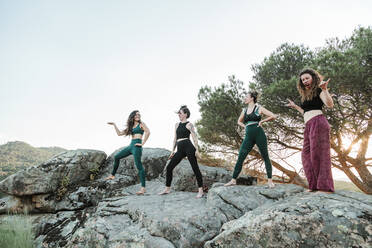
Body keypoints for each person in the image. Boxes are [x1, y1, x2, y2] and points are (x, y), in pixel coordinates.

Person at [287, 68, 334, 193]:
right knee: (306, 155)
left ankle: (324, 186)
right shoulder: (306, 95)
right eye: (303, 80)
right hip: (308, 124)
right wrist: (296, 106)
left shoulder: (319, 89)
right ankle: (313, 185)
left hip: (318, 122)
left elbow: (329, 104)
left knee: (319, 155)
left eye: (307, 78)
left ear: (313, 78)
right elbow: (305, 112)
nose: (305, 81)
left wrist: (324, 89)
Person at [224, 91, 277, 188]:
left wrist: (262, 121)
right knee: (241, 157)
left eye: (246, 97)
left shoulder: (258, 108)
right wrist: (245, 126)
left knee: (265, 156)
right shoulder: (244, 110)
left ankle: (270, 181)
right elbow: (238, 121)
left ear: (252, 98)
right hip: (248, 136)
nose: (245, 98)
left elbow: (273, 116)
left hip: (259, 134)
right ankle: (233, 180)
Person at [158, 105, 204, 198]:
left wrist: (197, 150)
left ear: (185, 114)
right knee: (169, 167)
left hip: (189, 147)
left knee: (195, 168)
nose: (179, 114)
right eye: (178, 113)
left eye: (180, 113)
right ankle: (167, 189)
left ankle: (201, 190)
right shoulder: (177, 124)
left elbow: (194, 137)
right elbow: (175, 138)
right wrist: (172, 151)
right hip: (180, 149)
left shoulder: (189, 124)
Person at [105, 110, 150, 195]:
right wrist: (114, 125)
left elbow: (148, 132)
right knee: (117, 157)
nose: (138, 116)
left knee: (139, 166)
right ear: (132, 116)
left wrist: (142, 143)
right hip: (130, 146)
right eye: (136, 115)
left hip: (137, 146)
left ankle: (143, 188)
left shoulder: (141, 124)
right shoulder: (131, 127)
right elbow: (119, 133)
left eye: (138, 114)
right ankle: (112, 175)